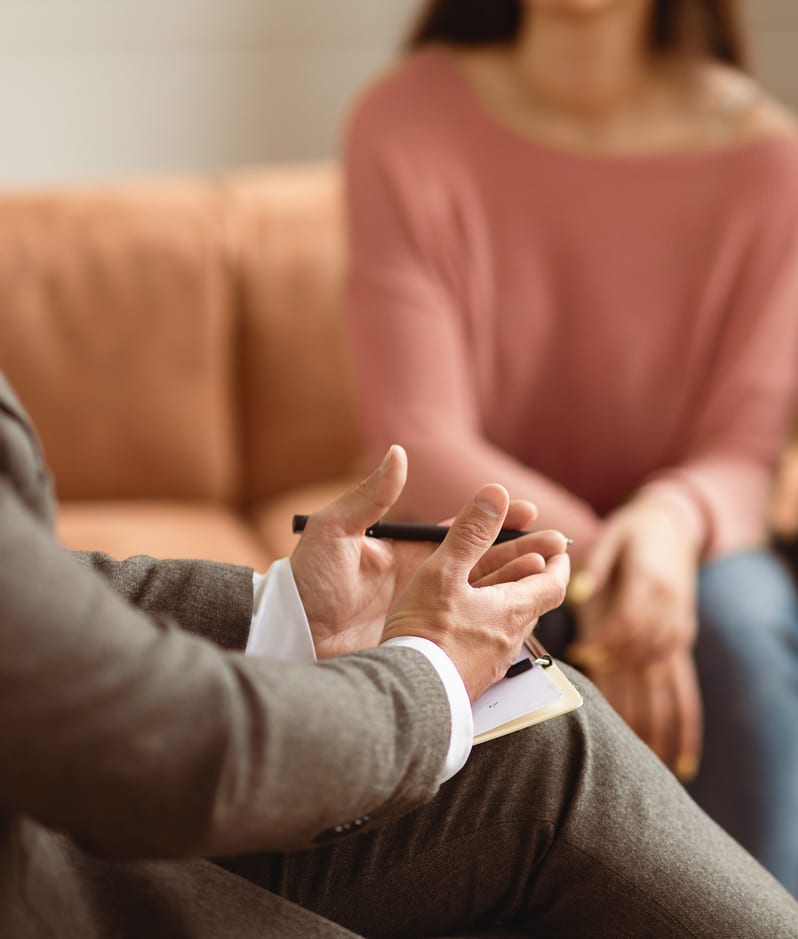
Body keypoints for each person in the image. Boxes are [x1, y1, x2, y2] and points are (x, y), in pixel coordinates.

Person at [2, 372, 798, 938]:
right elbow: (177, 749)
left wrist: (285, 613)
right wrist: (429, 674)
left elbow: (41, 605)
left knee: (541, 737)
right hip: (62, 876)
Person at [343, 0, 798, 894]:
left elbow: (743, 451)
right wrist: (596, 569)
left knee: (742, 635)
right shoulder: (403, 119)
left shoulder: (768, 158)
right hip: (475, 536)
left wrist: (667, 527)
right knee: (465, 646)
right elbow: (422, 437)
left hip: (694, 548)